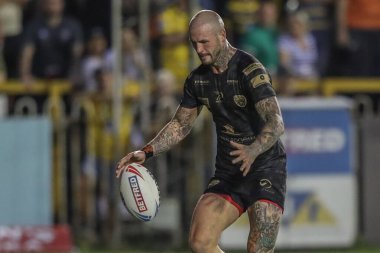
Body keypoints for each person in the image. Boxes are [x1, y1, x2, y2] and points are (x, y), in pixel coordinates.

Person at [116, 10, 287, 253]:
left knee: (258, 249)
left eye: (204, 42)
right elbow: (180, 124)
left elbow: (276, 121)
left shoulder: (249, 70)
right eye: (194, 43)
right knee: (200, 242)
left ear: (222, 35)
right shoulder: (197, 80)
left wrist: (253, 150)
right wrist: (147, 151)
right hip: (229, 170)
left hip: (265, 167)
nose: (199, 49)